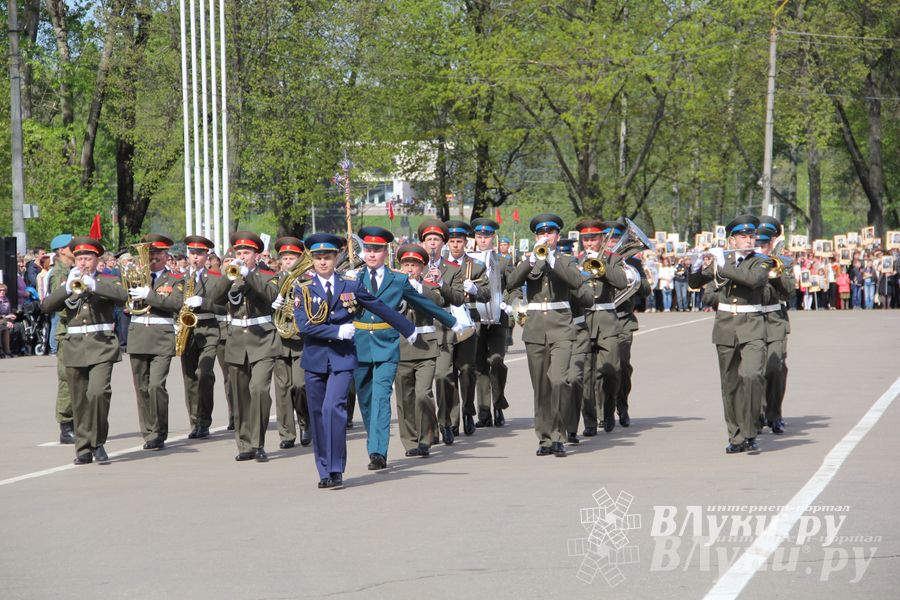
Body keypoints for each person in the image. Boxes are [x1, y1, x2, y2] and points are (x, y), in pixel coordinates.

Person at [293, 233, 415, 488]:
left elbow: (378, 306)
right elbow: (304, 326)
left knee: (333, 409)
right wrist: (336, 331)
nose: (323, 262)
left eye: (328, 257)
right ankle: (324, 470)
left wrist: (407, 328)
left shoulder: (350, 284)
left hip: (342, 359)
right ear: (312, 259)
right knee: (318, 415)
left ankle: (336, 468)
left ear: (336, 258)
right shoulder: (302, 287)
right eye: (318, 257)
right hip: (315, 359)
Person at [352, 226, 462, 470]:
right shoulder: (353, 279)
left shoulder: (398, 280)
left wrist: (452, 321)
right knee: (366, 401)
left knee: (382, 398)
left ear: (386, 252)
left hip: (387, 345)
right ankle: (374, 441)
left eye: (377, 250)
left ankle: (378, 452)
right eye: (368, 250)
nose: (371, 254)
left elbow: (424, 303)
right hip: (360, 345)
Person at [41, 237, 127, 464]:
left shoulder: (108, 279)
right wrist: (67, 287)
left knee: (98, 393)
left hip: (102, 345)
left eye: (88, 259)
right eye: (79, 259)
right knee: (79, 400)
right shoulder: (67, 281)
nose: (83, 263)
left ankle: (98, 442)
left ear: (97, 260)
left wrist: (95, 285)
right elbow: (47, 306)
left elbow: (122, 297)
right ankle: (83, 448)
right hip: (75, 346)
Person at [688, 215, 768, 454]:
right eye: (743, 236)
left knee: (752, 375)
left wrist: (722, 264)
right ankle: (736, 436)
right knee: (730, 384)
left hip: (752, 325)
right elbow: (696, 283)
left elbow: (753, 280)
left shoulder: (761, 261)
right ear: (732, 241)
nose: (749, 240)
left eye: (751, 236)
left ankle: (751, 429)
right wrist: (695, 265)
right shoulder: (723, 261)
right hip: (725, 326)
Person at [507, 213, 583, 457]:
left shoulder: (566, 260)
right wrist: (531, 261)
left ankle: (559, 435)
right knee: (541, 388)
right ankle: (545, 438)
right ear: (536, 237)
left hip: (561, 327)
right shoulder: (529, 260)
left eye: (550, 233)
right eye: (541, 233)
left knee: (559, 381)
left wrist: (551, 260)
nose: (546, 237)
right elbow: (511, 282)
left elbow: (575, 282)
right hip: (536, 329)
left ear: (557, 236)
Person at [209, 232, 280, 462]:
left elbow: (271, 295)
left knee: (259, 390)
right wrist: (228, 277)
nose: (242, 257)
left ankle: (258, 443)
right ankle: (245, 444)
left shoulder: (267, 275)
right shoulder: (231, 276)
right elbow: (214, 298)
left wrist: (249, 276)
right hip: (237, 340)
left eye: (246, 253)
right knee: (240, 396)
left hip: (263, 339)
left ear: (256, 255)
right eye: (238, 253)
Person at [126, 234, 184, 451]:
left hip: (161, 337)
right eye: (150, 253)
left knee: (156, 385)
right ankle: (149, 432)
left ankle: (159, 432)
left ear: (167, 255)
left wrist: (149, 295)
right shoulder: (137, 276)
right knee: (141, 388)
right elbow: (123, 301)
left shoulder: (175, 279)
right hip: (138, 336)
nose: (153, 257)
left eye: (158, 253)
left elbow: (175, 303)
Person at [573, 219, 628, 436]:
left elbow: (622, 282)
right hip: (584, 320)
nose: (589, 243)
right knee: (586, 375)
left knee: (612, 370)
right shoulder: (574, 260)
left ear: (602, 239)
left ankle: (608, 410)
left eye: (593, 239)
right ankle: (589, 420)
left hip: (607, 321)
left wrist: (601, 266)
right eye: (585, 239)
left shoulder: (613, 258)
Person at [417, 219, 466, 445]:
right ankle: (429, 427)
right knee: (424, 384)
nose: (432, 243)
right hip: (421, 328)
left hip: (443, 328)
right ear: (422, 243)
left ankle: (446, 421)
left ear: (443, 243)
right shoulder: (415, 265)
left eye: (436, 239)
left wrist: (441, 284)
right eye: (429, 239)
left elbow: (458, 298)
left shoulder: (453, 269)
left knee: (444, 376)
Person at [394, 244, 444, 457]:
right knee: (405, 398)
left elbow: (439, 301)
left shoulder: (428, 286)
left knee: (423, 394)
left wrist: (417, 289)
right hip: (402, 347)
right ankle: (411, 441)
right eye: (406, 265)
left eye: (414, 265)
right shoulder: (394, 286)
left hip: (426, 347)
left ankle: (426, 438)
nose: (409, 269)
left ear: (422, 268)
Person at [442, 220, 489, 437]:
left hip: (469, 320)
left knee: (467, 368)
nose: (455, 245)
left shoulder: (476, 265)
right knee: (448, 370)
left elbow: (487, 294)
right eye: (451, 241)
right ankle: (452, 419)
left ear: (465, 243)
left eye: (459, 241)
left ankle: (468, 411)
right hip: (446, 320)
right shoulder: (440, 266)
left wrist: (476, 289)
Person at [470, 217, 516, 428]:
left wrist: (508, 303)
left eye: (486, 236)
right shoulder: (469, 261)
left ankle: (498, 404)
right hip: (477, 320)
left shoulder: (503, 261)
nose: (482, 240)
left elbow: (513, 286)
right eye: (479, 236)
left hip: (498, 319)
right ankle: (484, 413)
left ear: (493, 238)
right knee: (479, 366)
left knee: (496, 360)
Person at [179, 235, 225, 440]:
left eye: (199, 253)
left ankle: (204, 420)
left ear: (207, 256)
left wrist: (204, 303)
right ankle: (195, 421)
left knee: (204, 373)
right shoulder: (179, 278)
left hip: (208, 329)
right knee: (189, 377)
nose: (195, 257)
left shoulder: (215, 278)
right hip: (186, 331)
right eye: (192, 253)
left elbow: (224, 307)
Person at [270, 236, 311, 449]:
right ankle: (286, 433)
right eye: (284, 258)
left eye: (292, 258)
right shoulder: (273, 281)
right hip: (279, 341)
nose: (288, 262)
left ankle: (306, 423)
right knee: (282, 389)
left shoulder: (308, 281)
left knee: (300, 385)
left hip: (301, 340)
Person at [756, 216, 793, 435]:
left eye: (766, 243)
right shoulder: (745, 261)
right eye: (758, 242)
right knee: (754, 369)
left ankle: (774, 414)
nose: (762, 247)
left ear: (772, 242)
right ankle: (757, 413)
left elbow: (789, 291)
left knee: (775, 367)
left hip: (775, 320)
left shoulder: (783, 263)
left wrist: (774, 273)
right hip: (751, 319)